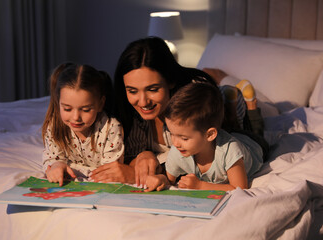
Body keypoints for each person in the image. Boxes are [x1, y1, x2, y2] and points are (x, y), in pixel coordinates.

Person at [89, 36, 265, 186]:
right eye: (132, 90)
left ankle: (223, 80)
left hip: (228, 111)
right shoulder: (127, 110)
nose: (142, 102)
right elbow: (131, 153)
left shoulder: (191, 105)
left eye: (153, 89)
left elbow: (200, 156)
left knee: (244, 119)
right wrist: (143, 155)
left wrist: (136, 171)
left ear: (171, 81)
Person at [144, 81, 264, 192]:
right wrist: (160, 179)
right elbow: (169, 180)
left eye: (184, 138)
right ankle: (231, 110)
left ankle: (251, 105)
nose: (175, 143)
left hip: (252, 144)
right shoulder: (178, 152)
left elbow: (240, 188)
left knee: (255, 131)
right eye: (172, 134)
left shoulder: (230, 150)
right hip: (221, 135)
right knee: (229, 127)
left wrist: (201, 185)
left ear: (210, 135)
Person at [41, 62, 124, 186]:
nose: (76, 118)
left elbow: (109, 173)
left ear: (100, 104)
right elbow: (51, 160)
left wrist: (70, 167)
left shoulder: (111, 128)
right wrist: (57, 165)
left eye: (85, 110)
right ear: (58, 103)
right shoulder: (55, 126)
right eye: (67, 109)